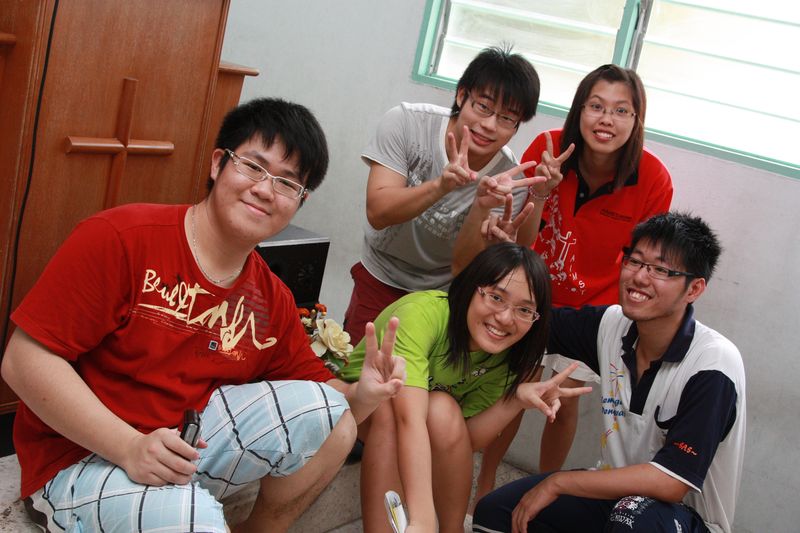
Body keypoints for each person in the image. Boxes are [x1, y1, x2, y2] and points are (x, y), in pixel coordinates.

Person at [0, 98, 406, 533]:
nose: (265, 190)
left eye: (287, 183)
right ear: (218, 164)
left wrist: (365, 395)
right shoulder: (122, 238)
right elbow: (23, 361)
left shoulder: (270, 297)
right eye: (253, 166)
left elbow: (319, 401)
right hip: (83, 456)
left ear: (299, 201)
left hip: (183, 448)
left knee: (335, 418)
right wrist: (128, 446)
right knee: (192, 519)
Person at [459, 64, 673, 499]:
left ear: (636, 120)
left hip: (596, 308)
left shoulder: (653, 178)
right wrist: (542, 190)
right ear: (579, 110)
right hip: (531, 294)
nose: (606, 120)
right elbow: (519, 240)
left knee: (562, 398)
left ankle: (543, 491)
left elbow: (645, 264)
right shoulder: (548, 148)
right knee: (516, 389)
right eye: (596, 106)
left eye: (621, 111)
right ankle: (485, 486)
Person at [473, 212, 745, 533]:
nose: (639, 277)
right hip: (615, 499)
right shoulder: (613, 325)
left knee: (631, 517)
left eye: (660, 269)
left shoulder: (713, 364)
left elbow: (671, 482)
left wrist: (559, 482)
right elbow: (530, 324)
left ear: (694, 288)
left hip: (685, 519)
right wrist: (500, 268)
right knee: (497, 512)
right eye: (635, 261)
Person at [339, 242, 592, 533]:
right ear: (472, 287)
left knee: (443, 408)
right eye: (496, 297)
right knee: (389, 402)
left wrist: (516, 400)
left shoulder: (508, 354)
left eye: (524, 310)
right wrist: (423, 518)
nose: (505, 318)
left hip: (416, 426)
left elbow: (462, 441)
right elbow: (408, 419)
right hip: (358, 411)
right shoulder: (424, 315)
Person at [343, 46, 544, 345]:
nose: (489, 125)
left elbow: (463, 267)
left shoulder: (508, 182)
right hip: (381, 273)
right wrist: (441, 185)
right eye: (483, 107)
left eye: (506, 118)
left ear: (517, 126)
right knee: (359, 364)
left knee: (415, 371)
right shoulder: (408, 123)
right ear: (462, 95)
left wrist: (481, 206)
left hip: (442, 295)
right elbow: (378, 212)